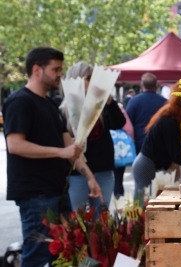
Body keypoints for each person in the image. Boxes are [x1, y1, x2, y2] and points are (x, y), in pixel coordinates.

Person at [2, 47, 103, 267]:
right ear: (37, 70)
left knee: (65, 251)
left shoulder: (50, 105)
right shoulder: (20, 101)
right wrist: (61, 152)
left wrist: (90, 178)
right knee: (38, 254)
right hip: (34, 193)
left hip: (58, 190)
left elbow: (70, 147)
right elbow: (15, 145)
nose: (60, 74)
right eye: (56, 69)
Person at [61, 61, 126, 212]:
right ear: (76, 79)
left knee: (101, 218)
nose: (93, 82)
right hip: (78, 173)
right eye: (89, 78)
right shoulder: (63, 111)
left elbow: (118, 123)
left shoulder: (100, 106)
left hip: (104, 170)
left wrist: (109, 100)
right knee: (79, 220)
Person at [132, 83, 181, 200]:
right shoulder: (169, 122)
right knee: (141, 205)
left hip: (148, 164)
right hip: (146, 166)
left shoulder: (171, 118)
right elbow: (176, 156)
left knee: (143, 202)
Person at [126, 72, 166, 154]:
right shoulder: (165, 103)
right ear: (156, 85)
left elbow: (128, 122)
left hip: (140, 144)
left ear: (141, 85)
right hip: (161, 144)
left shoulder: (134, 101)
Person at [113, 102, 134, 199]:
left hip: (102, 152)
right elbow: (129, 129)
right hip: (119, 151)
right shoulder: (119, 109)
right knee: (118, 178)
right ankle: (118, 201)